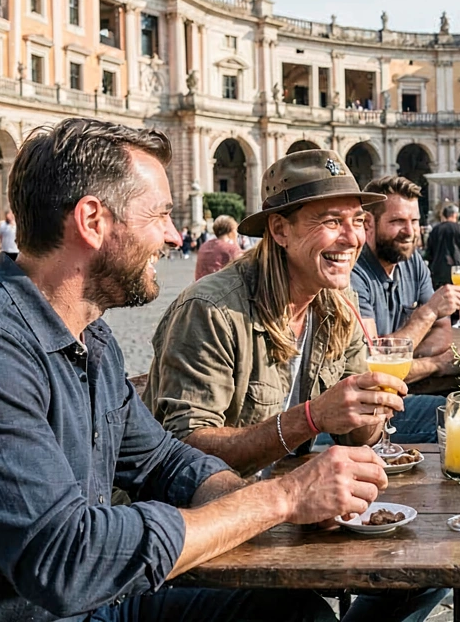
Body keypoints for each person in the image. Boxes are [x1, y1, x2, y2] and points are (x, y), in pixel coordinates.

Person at [0, 118, 368, 621]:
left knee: (292, 614)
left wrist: (288, 502)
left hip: (86, 608)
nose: (172, 236)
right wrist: (281, 497)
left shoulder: (92, 338)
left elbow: (164, 462)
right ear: (93, 221)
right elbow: (67, 561)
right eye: (159, 215)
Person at [144, 151, 441, 622]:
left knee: (427, 565)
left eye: (358, 220)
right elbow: (182, 451)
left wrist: (371, 411)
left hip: (292, 513)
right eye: (330, 220)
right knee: (303, 615)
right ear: (279, 231)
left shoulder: (335, 303)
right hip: (200, 536)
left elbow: (354, 435)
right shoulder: (213, 310)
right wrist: (311, 418)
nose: (352, 237)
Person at [352, 175, 460, 430]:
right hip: (362, 415)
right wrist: (434, 363)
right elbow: (373, 365)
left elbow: (443, 330)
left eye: (414, 221)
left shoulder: (411, 261)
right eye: (397, 221)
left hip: (399, 396)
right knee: (459, 419)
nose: (410, 231)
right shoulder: (354, 273)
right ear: (368, 223)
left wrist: (404, 361)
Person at [425, 203, 460, 291]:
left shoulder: (435, 230)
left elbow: (428, 253)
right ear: (455, 215)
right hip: (458, 271)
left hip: (438, 270)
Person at [193, 214, 243, 280]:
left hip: (200, 285)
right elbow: (243, 267)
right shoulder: (231, 249)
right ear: (232, 230)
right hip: (220, 287)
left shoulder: (204, 245)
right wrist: (235, 241)